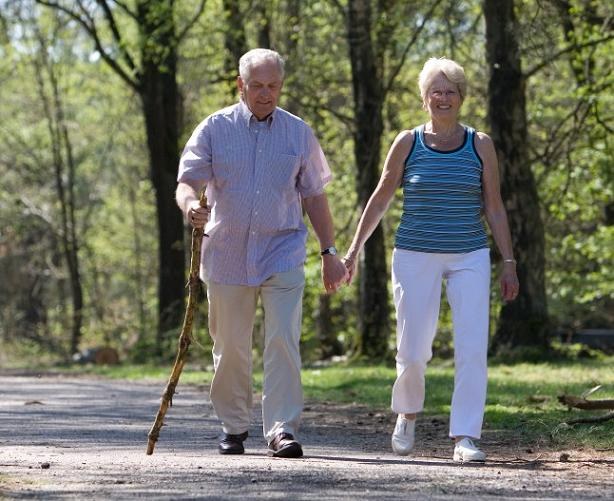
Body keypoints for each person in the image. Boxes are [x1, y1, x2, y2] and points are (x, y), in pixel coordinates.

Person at [343, 57, 519, 462]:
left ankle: (465, 437)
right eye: (436, 91)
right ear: (424, 99)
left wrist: (508, 261)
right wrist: (354, 250)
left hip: (469, 254)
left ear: (461, 98)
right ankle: (407, 412)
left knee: (472, 344)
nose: (443, 97)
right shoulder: (408, 142)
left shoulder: (481, 144)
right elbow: (382, 197)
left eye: (451, 91)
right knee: (413, 347)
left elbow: (494, 207)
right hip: (414, 254)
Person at [176, 48, 348, 459]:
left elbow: (315, 197)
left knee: (283, 340)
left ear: (281, 86)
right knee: (231, 344)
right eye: (257, 86)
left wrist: (329, 251)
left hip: (282, 249)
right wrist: (189, 208)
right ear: (241, 85)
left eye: (273, 86)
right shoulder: (214, 129)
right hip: (227, 253)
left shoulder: (298, 133)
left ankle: (282, 429)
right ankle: (234, 427)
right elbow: (187, 181)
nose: (266, 93)